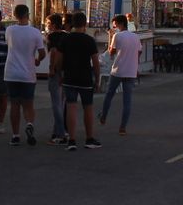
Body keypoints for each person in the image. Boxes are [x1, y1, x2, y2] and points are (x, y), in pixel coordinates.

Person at [55, 11, 102, 149]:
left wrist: (60, 74)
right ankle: (89, 138)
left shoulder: (65, 39)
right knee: (88, 107)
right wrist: (97, 79)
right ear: (85, 23)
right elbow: (95, 62)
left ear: (72, 24)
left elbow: (58, 59)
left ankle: (72, 140)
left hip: (69, 77)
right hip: (85, 77)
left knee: (71, 107)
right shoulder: (89, 40)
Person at [3, 4, 48, 146]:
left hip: (11, 73)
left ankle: (15, 135)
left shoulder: (9, 30)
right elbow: (42, 53)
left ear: (15, 15)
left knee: (15, 104)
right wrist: (37, 60)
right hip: (28, 73)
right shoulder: (35, 33)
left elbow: (8, 46)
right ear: (27, 15)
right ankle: (29, 123)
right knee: (28, 104)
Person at [98, 13, 141, 135]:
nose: (114, 27)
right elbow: (139, 52)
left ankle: (103, 116)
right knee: (127, 100)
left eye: (115, 25)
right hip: (131, 71)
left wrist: (111, 37)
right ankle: (123, 127)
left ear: (121, 24)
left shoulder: (117, 36)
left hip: (118, 70)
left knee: (109, 94)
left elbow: (111, 53)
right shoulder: (135, 37)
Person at [44, 12, 70, 144]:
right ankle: (60, 130)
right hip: (67, 72)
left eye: (48, 24)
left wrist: (52, 69)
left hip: (57, 72)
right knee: (63, 102)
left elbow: (54, 52)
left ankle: (60, 134)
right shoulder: (67, 35)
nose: (47, 26)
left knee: (56, 104)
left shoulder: (51, 36)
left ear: (53, 25)